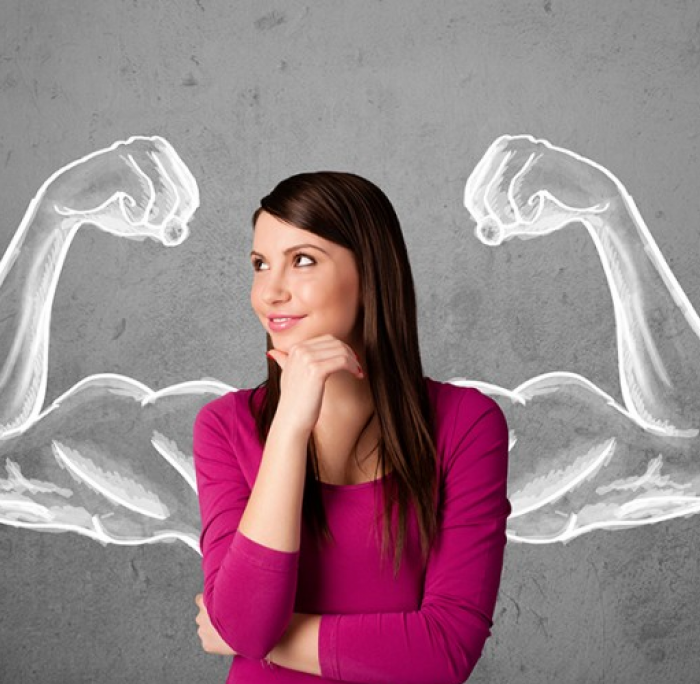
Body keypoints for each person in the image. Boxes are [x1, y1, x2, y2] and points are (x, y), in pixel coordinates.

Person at [191, 171, 511, 683]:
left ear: (371, 274)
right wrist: (290, 428)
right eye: (259, 264)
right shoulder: (226, 427)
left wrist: (268, 638)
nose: (270, 291)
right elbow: (245, 625)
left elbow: (445, 651)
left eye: (302, 260)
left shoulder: (466, 425)